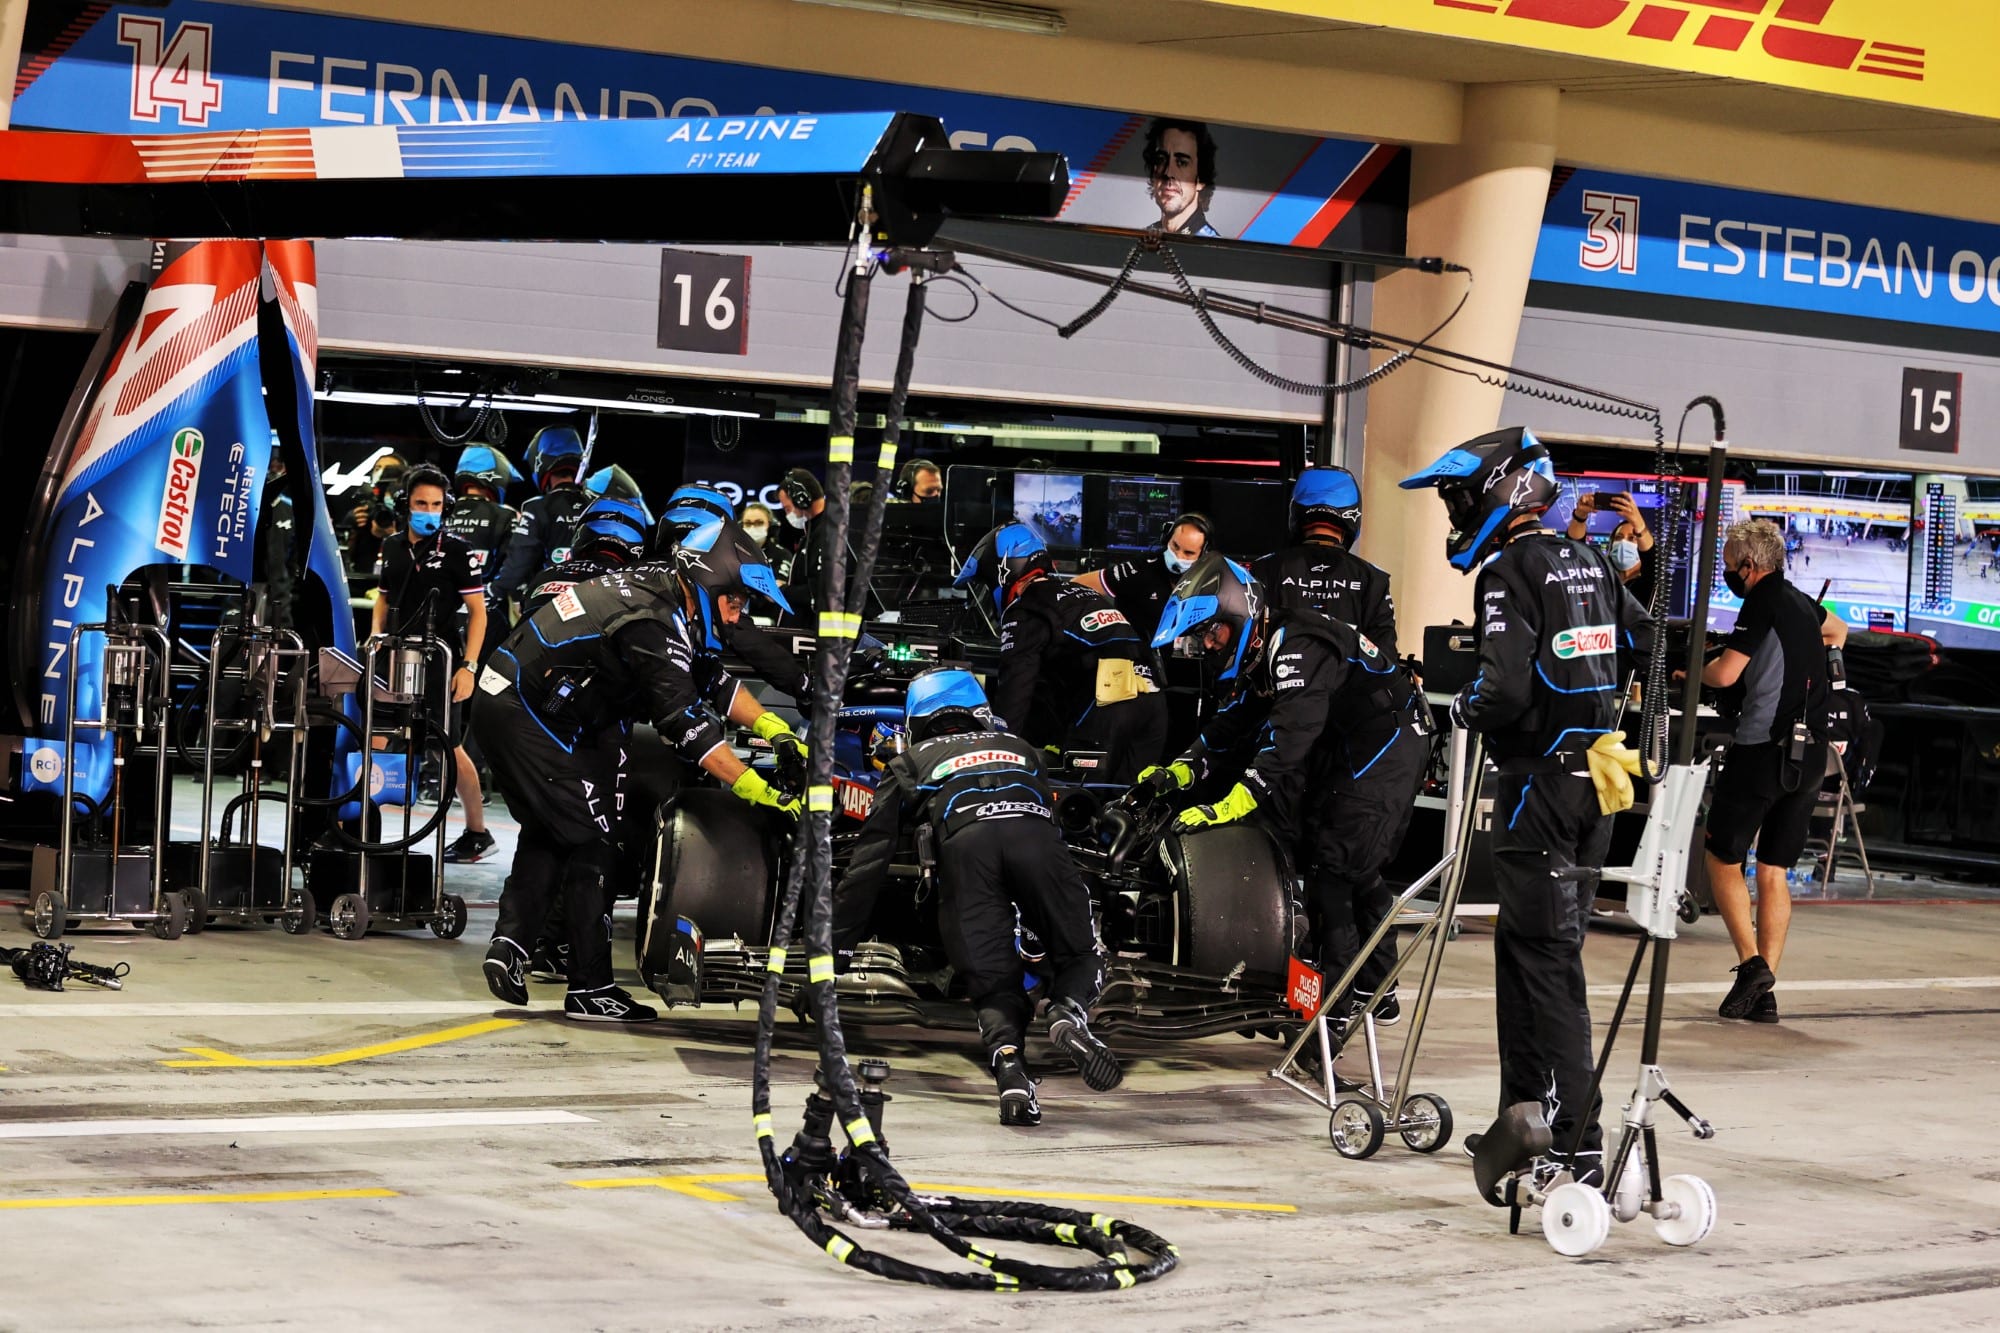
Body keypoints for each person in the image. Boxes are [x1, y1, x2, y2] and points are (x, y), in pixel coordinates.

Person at [1399, 426, 1652, 1187]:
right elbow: (1647, 639)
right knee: (1529, 949)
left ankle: (1579, 1140)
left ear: (1501, 489)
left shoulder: (1510, 570)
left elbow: (1502, 688)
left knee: (1546, 961)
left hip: (1538, 787)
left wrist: (1465, 710)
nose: (1453, 511)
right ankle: (1523, 1119)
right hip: (1598, 779)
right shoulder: (1594, 562)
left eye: (1457, 496)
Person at [475, 518, 806, 1022]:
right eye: (734, 601)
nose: (738, 615)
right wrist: (757, 789)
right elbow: (687, 724)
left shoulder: (668, 595)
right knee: (595, 838)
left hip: (533, 705)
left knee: (558, 826)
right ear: (710, 584)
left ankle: (510, 946)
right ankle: (589, 987)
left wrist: (775, 729)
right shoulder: (651, 620)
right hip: (525, 711)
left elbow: (712, 682)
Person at [1139, 553, 1429, 1024]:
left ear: (1238, 614)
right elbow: (1235, 723)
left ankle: (1331, 1013)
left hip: (1387, 746)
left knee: (1332, 869)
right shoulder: (1266, 645)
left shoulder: (1298, 646)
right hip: (1351, 745)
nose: (1209, 646)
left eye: (1214, 633)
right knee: (1345, 863)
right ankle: (1378, 987)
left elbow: (1289, 739)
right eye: (1202, 638)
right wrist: (1181, 769)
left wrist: (1231, 802)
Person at [834, 668, 1119, 1125]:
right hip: (1036, 838)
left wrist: (838, 947)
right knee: (1083, 955)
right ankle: (1068, 1011)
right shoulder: (1022, 749)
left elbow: (869, 862)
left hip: (967, 848)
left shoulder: (909, 762)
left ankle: (1011, 1072)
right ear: (983, 716)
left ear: (915, 724)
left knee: (991, 982)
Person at [1687, 518, 1847, 1025]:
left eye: (1730, 566)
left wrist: (1693, 668)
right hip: (1812, 755)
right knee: (1773, 869)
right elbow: (1838, 630)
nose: (1729, 574)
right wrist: (1825, 665)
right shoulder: (1801, 601)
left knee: (1722, 855)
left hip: (1762, 749)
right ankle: (1765, 992)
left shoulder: (1761, 601)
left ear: (1749, 567)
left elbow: (1727, 673)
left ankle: (1752, 966)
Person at [955, 521, 1166, 783]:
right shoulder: (1081, 593)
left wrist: (994, 758)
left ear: (1003, 571)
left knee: (1074, 800)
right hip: (1154, 703)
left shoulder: (1025, 609)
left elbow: (1015, 695)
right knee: (1127, 806)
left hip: (1107, 702)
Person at [370, 465, 495, 865]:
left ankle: (478, 832)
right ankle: (359, 822)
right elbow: (383, 598)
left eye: (437, 504)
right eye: (422, 503)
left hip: (442, 660)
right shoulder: (390, 547)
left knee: (449, 748)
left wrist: (469, 667)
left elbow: (478, 612)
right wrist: (375, 637)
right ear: (405, 503)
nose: (429, 510)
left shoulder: (458, 550)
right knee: (377, 736)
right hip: (393, 657)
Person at [1253, 468, 1398, 658]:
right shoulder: (1372, 577)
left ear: (1296, 510)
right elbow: (1385, 656)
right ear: (1353, 514)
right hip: (1348, 686)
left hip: (1278, 684)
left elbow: (1249, 642)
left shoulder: (1266, 568)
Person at [1072, 512, 1211, 646]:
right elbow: (1077, 585)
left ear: (1203, 554)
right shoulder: (1140, 568)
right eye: (1175, 546)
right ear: (1167, 538)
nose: (1178, 556)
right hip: (1127, 657)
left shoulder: (1205, 579)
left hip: (1162, 662)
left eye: (1188, 553)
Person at [490, 425, 588, 607]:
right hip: (594, 598)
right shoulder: (596, 505)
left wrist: (495, 590)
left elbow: (519, 560)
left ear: (539, 460)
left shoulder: (537, 507)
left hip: (553, 604)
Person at [446, 444, 520, 658]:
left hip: (443, 616)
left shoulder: (442, 512)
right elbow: (514, 565)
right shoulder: (506, 515)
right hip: (487, 614)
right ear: (497, 477)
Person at [1565, 490, 1656, 611]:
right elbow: (1574, 550)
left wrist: (1638, 523)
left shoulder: (1649, 582)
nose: (1623, 542)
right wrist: (1580, 516)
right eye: (1618, 538)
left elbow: (1651, 557)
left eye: (1632, 538)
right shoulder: (1600, 578)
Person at [1143, 118, 1220, 237]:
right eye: (1161, 160)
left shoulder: (1212, 247)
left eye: (1182, 163)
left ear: (1201, 180)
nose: (1168, 173)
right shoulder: (1143, 236)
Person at [777, 467, 827, 620]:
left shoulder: (829, 533)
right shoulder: (813, 532)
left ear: (801, 499)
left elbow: (821, 592)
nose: (787, 515)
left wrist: (782, 590)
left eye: (787, 508)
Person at [254, 448, 296, 630]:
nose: (273, 470)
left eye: (278, 466)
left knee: (280, 637)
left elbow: (296, 557)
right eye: (270, 465)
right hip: (244, 588)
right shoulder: (242, 506)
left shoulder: (292, 511)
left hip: (280, 592)